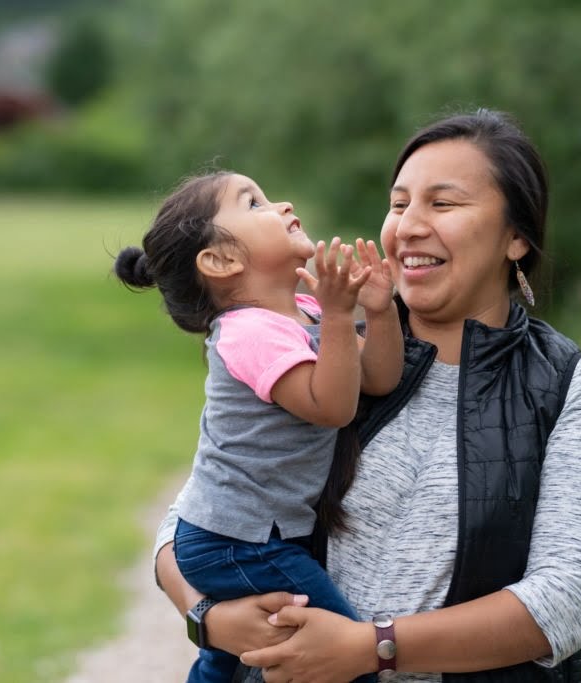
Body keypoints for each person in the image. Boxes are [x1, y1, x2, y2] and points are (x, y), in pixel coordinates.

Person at [154, 109, 581, 683]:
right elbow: (195, 515)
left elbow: (563, 603)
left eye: (443, 203)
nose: (408, 225)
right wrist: (208, 619)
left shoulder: (573, 389)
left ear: (516, 237)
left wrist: (371, 647)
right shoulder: (332, 356)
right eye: (400, 203)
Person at [115, 171, 403, 682]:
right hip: (234, 541)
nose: (282, 203)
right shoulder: (248, 332)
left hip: (253, 535)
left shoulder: (307, 312)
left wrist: (377, 314)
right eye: (253, 203)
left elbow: (377, 379)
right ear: (222, 260)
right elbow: (331, 406)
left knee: (229, 659)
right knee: (342, 650)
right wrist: (341, 319)